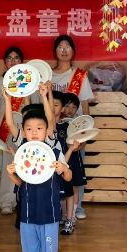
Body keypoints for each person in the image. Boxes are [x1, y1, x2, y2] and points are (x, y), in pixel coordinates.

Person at [6, 84, 72, 252]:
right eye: (29, 129)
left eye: (39, 128)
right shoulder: (23, 153)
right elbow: (20, 184)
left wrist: (63, 169)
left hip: (50, 213)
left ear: (47, 131)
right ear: (24, 132)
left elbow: (69, 176)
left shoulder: (54, 150)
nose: (34, 132)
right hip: (27, 213)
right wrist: (11, 174)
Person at [50, 34, 93, 220]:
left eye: (67, 47)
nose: (64, 50)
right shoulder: (48, 75)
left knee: (75, 170)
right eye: (60, 47)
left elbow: (85, 107)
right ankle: (57, 207)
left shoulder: (80, 75)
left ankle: (78, 206)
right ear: (55, 51)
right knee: (55, 168)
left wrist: (85, 135)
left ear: (73, 51)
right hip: (53, 131)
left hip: (74, 132)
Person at [0, 46, 26, 214]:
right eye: (9, 58)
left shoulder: (29, 82)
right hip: (4, 130)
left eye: (16, 58)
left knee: (26, 164)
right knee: (7, 167)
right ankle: (6, 201)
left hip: (25, 130)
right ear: (5, 62)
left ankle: (24, 199)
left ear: (22, 61)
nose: (13, 61)